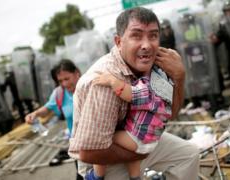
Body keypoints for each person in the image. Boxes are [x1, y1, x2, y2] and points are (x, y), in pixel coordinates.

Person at [68, 7, 199, 180]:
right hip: (103, 156)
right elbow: (88, 153)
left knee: (188, 155)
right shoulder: (105, 82)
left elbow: (170, 113)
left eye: (153, 35)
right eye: (136, 35)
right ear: (119, 41)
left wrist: (179, 77)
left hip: (138, 137)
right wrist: (139, 154)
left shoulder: (156, 65)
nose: (146, 45)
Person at [90, 65, 173, 180]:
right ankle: (135, 177)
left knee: (101, 140)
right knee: (134, 157)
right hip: (150, 140)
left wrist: (111, 80)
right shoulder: (166, 86)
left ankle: (96, 176)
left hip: (137, 138)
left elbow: (133, 94)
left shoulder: (148, 86)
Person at [25, 59, 82, 180]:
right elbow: (47, 109)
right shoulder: (59, 93)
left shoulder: (90, 87)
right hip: (78, 147)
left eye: (67, 79)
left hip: (100, 144)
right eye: (60, 81)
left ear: (77, 73)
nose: (65, 84)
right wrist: (35, 114)